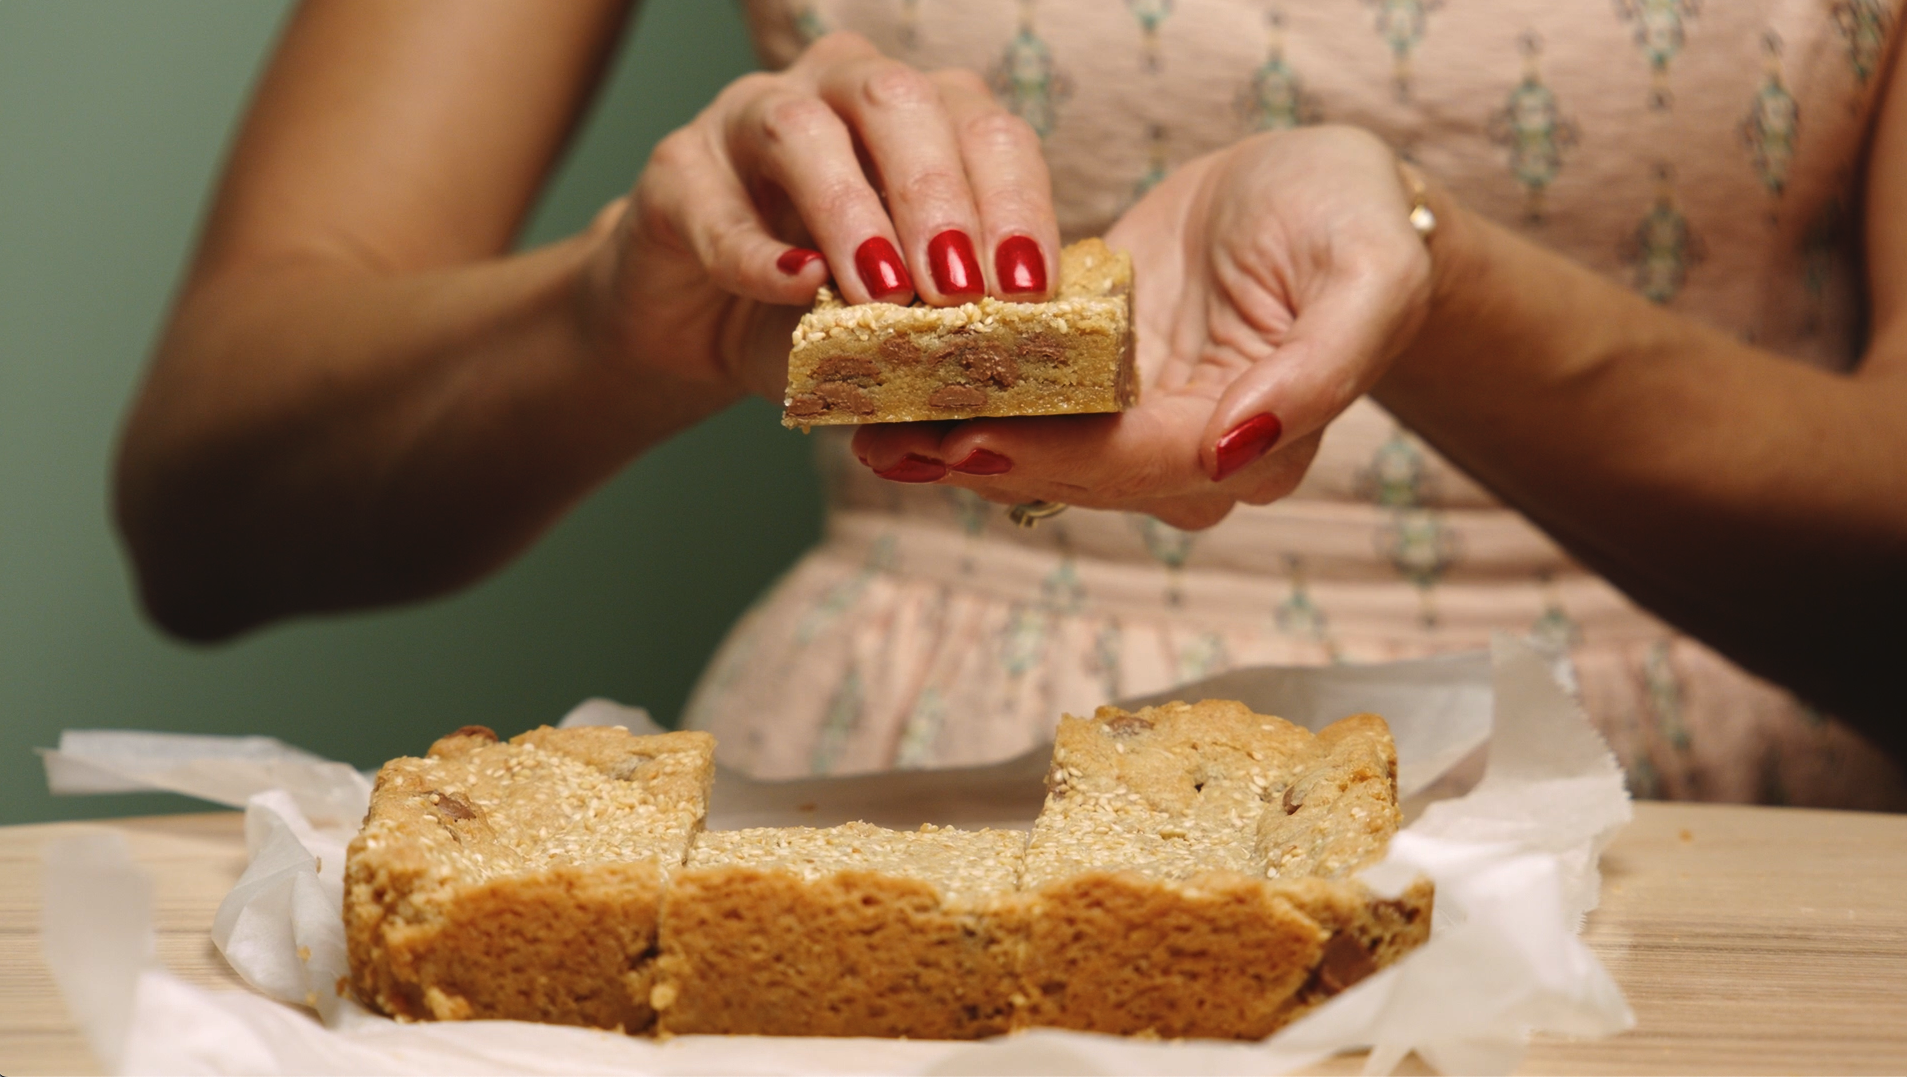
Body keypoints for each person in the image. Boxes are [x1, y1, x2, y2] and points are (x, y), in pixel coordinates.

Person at [116, 0, 1907, 808]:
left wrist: (1429, 289)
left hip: (1681, 829)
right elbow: (212, 500)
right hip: (885, 795)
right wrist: (625, 313)